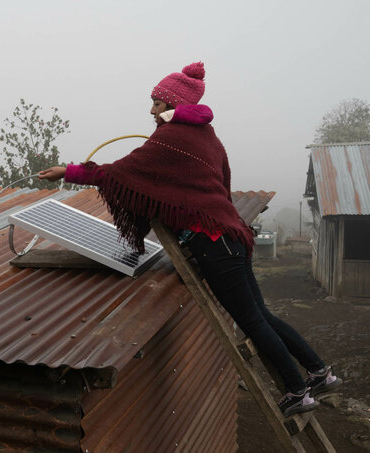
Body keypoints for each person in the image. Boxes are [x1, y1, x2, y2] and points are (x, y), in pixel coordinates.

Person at [39, 62, 342, 417]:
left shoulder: (170, 139)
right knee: (262, 315)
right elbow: (222, 186)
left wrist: (69, 172)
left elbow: (121, 173)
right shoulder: (208, 138)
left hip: (214, 242)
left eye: (156, 102)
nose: (151, 110)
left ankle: (296, 390)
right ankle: (319, 372)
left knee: (253, 321)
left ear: (172, 104)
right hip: (233, 236)